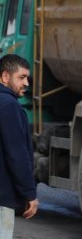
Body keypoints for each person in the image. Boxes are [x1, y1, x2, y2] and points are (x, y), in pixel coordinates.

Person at [0, 54, 37, 238]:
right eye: (21, 77)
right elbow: (16, 154)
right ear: (5, 77)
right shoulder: (9, 105)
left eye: (27, 78)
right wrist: (29, 193)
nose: (27, 83)